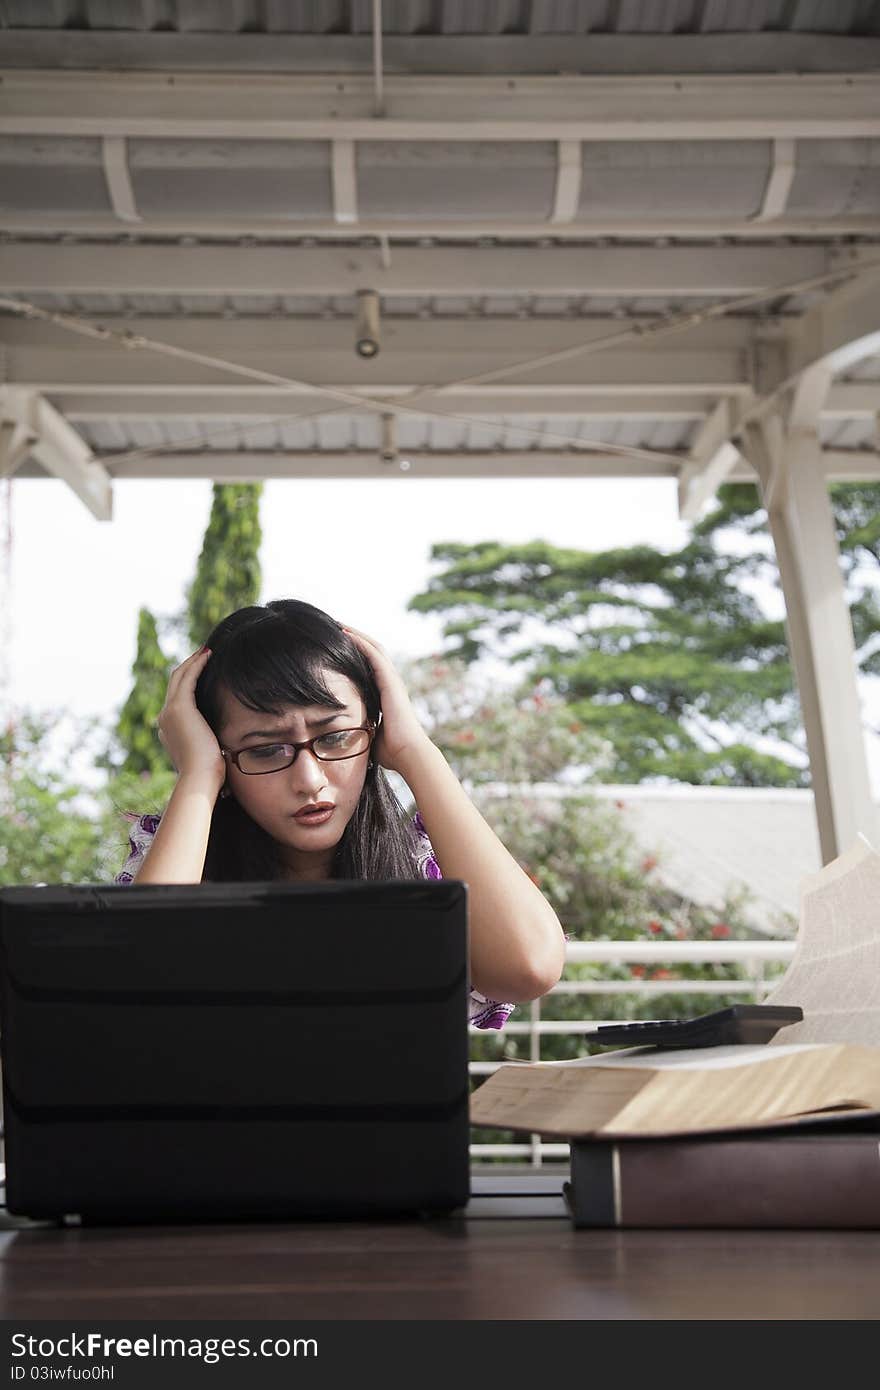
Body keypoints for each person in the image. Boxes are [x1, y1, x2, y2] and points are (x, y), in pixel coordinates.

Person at [115, 599, 566, 1030]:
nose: (309, 780)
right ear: (221, 756)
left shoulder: (417, 867)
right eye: (266, 749)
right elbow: (135, 981)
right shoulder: (180, 867)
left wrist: (415, 751)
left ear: (375, 729)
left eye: (335, 738)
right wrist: (198, 775)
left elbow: (528, 968)